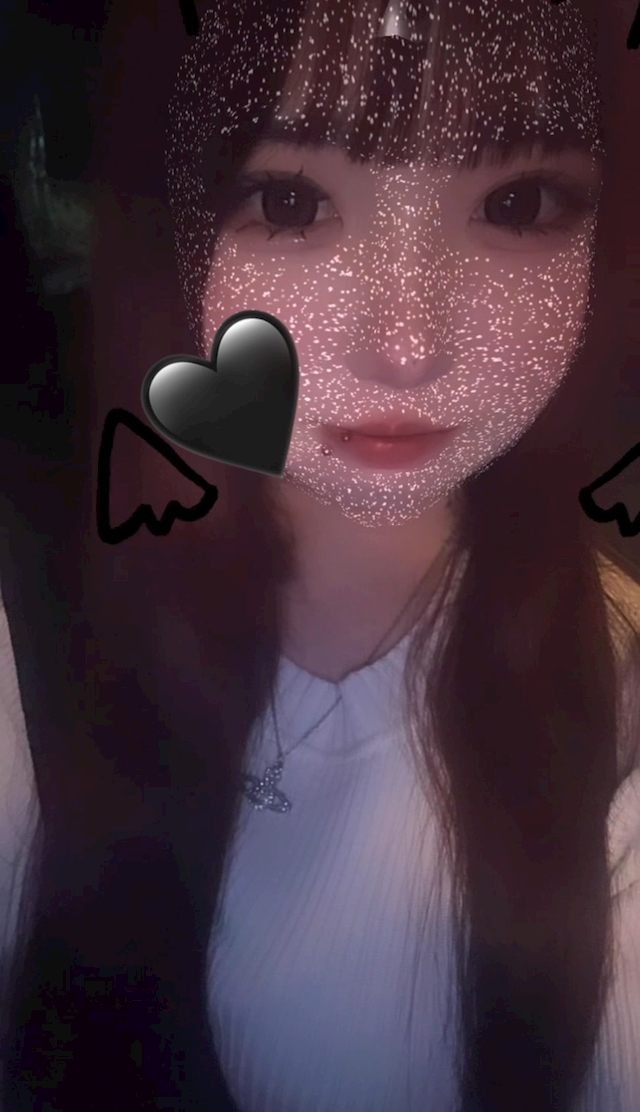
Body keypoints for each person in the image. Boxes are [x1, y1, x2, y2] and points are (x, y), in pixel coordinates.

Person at [0, 0, 639, 1109]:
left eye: (517, 203)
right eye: (290, 202)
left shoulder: (617, 705)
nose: (408, 346)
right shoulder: (40, 619)